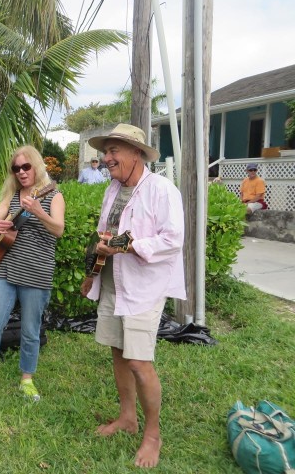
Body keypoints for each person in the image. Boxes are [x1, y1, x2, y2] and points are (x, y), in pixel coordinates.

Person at [80, 124, 186, 469]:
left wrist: (126, 246)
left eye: (114, 151)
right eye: (106, 151)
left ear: (136, 153)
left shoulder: (161, 189)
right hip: (113, 282)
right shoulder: (112, 189)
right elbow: (105, 236)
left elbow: (172, 240)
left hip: (143, 287)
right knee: (117, 350)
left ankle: (152, 434)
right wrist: (91, 273)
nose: (107, 158)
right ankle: (127, 418)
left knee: (139, 361)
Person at [0, 145, 65, 401]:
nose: (21, 172)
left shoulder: (52, 195)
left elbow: (58, 230)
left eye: (26, 166)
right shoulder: (11, 198)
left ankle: (27, 378)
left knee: (31, 330)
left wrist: (38, 211)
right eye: (16, 168)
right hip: (4, 268)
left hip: (36, 271)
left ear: (36, 166)